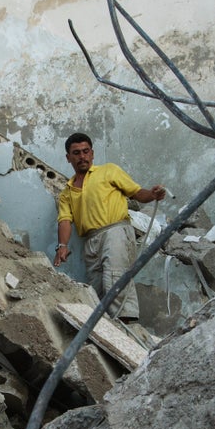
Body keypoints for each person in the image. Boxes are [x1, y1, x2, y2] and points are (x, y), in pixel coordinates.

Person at [53, 132, 167, 321]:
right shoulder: (67, 191)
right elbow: (65, 220)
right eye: (76, 153)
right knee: (97, 287)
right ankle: (106, 330)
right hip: (90, 240)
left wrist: (153, 195)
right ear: (68, 158)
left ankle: (127, 324)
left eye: (86, 151)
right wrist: (62, 246)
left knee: (116, 278)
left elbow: (137, 193)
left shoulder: (108, 171)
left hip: (115, 231)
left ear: (92, 153)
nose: (82, 156)